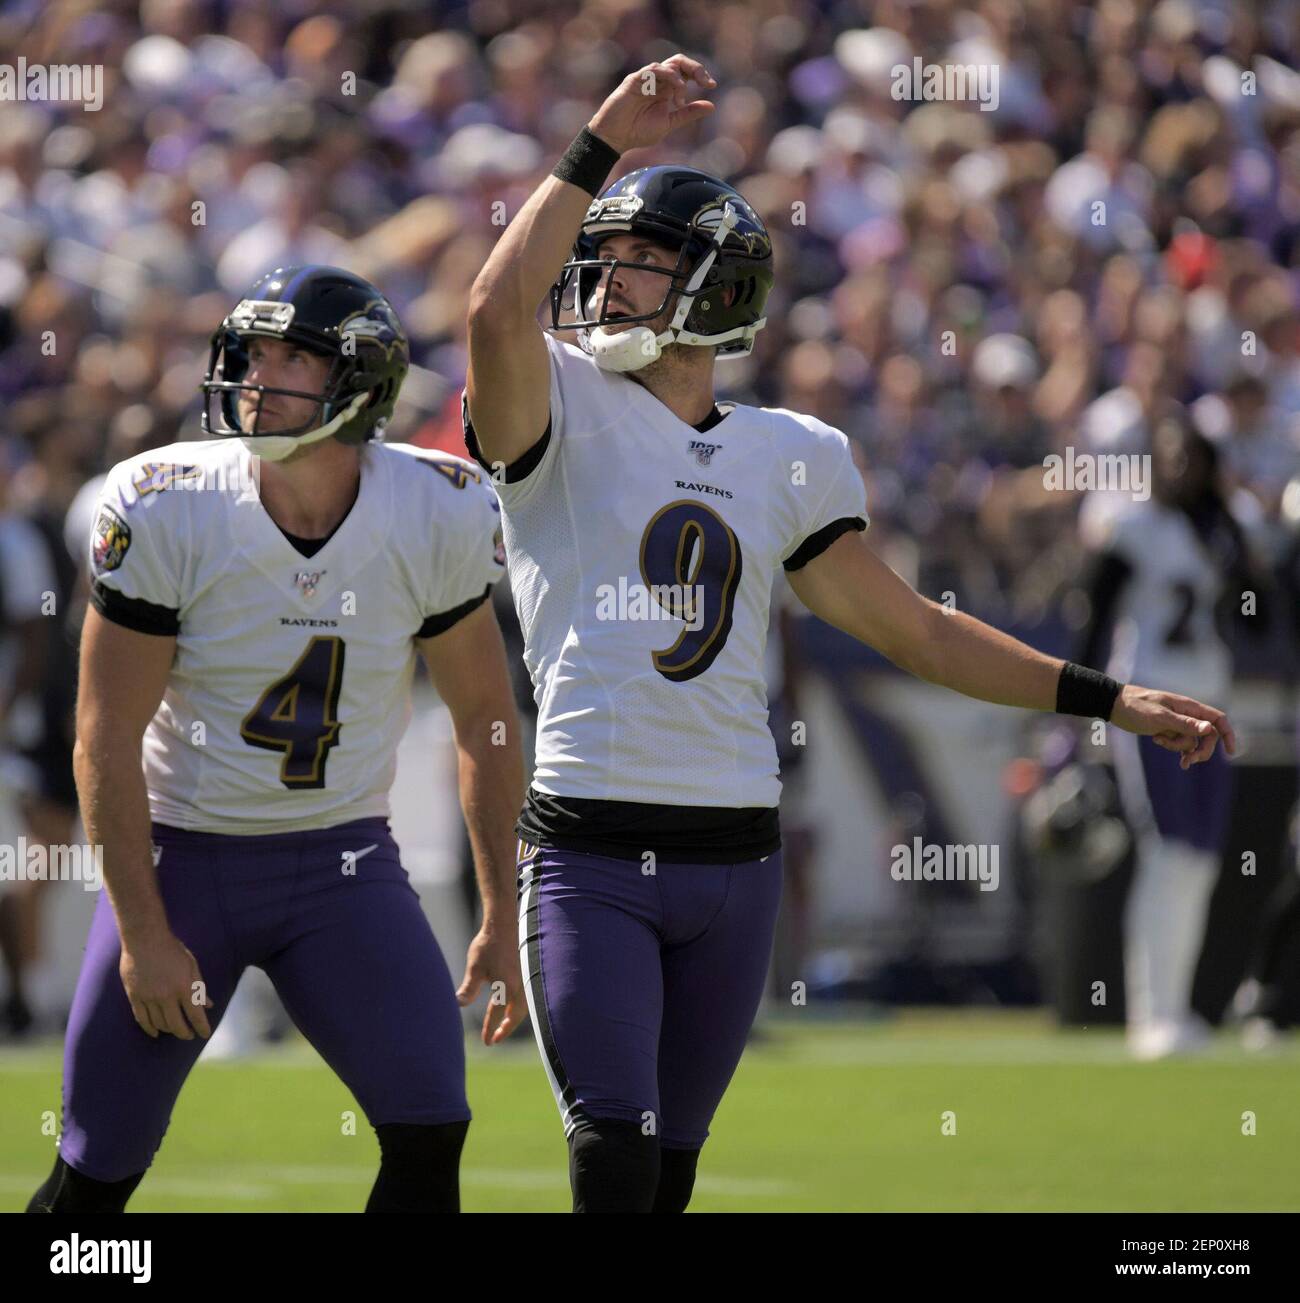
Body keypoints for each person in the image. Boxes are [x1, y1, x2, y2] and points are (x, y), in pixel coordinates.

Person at [463, 54, 1236, 1212]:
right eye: (602, 261)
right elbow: (489, 307)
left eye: (636, 265)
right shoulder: (556, 412)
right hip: (591, 851)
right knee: (610, 1157)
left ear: (714, 290)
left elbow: (916, 631)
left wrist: (1104, 696)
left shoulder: (792, 452)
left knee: (667, 1177)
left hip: (736, 857)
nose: (603, 285)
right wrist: (597, 144)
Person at [28, 266, 525, 1214]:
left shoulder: (437, 507)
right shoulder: (169, 500)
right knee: (95, 1171)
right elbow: (104, 733)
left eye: (292, 355)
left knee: (431, 1129)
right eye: (253, 353)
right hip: (185, 859)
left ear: (359, 385)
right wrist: (142, 930)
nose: (258, 376)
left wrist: (501, 912)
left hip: (344, 862)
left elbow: (485, 724)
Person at [1080, 418, 1259, 1058]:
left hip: (1211, 705)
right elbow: (1095, 620)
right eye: (1172, 455)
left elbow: (1259, 613)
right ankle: (1150, 1016)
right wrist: (1082, 714)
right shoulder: (1133, 529)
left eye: (1192, 457)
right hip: (1150, 703)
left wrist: (1244, 549)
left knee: (1201, 863)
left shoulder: (1223, 531)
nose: (1181, 468)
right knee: (1167, 853)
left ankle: (1176, 1009)